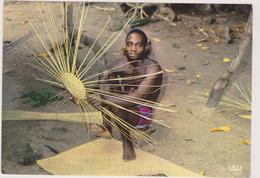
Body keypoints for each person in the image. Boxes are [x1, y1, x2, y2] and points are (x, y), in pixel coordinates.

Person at [91, 28, 163, 161]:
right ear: (126, 45)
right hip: (121, 107)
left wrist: (106, 100)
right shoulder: (121, 63)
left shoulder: (153, 69)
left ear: (146, 47)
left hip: (141, 114)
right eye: (130, 44)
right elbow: (101, 85)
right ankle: (107, 127)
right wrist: (86, 94)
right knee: (104, 76)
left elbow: (137, 97)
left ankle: (127, 141)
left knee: (116, 102)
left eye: (138, 45)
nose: (133, 49)